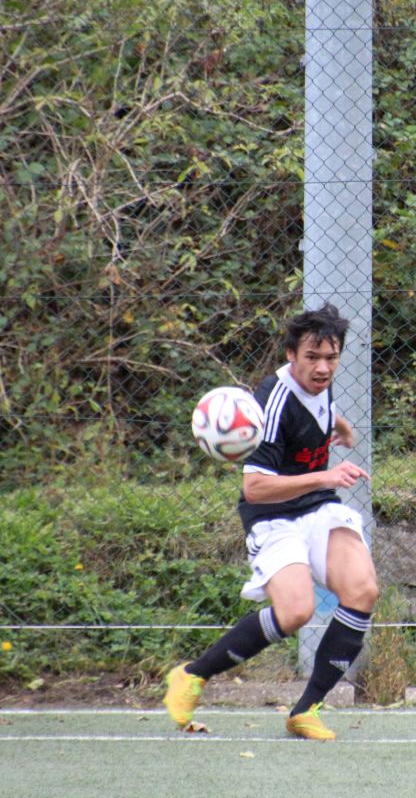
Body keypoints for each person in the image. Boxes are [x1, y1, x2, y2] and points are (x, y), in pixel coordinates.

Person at [163, 303, 376, 740]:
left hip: (316, 506)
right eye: (312, 357)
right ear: (290, 355)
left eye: (331, 357)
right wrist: (326, 476)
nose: (323, 368)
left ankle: (306, 710)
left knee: (362, 590)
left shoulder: (319, 382)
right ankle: (192, 675)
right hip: (274, 516)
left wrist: (339, 426)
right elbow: (255, 488)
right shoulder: (271, 403)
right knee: (296, 611)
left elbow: (316, 408)